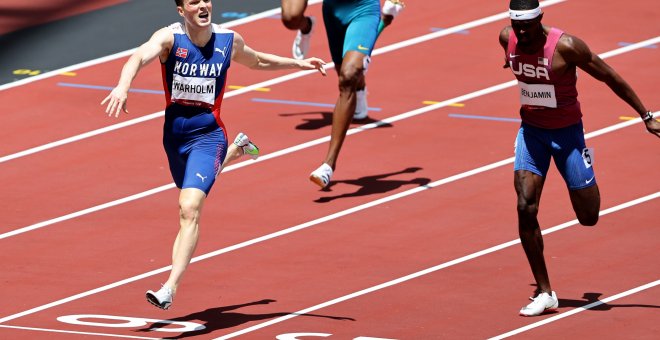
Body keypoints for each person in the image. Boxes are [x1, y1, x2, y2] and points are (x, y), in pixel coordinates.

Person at [102, 0, 326, 310]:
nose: (204, 5)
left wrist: (298, 64)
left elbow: (258, 61)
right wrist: (123, 85)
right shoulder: (170, 38)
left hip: (208, 136)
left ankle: (169, 288)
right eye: (194, 2)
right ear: (182, 11)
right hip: (174, 138)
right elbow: (140, 56)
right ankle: (239, 149)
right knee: (188, 193)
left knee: (189, 208)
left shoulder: (228, 40)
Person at [499, 0, 659, 317]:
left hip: (569, 137)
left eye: (527, 26)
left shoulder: (567, 46)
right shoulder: (507, 37)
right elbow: (517, 63)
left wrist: (646, 116)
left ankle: (584, 166)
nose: (521, 32)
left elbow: (609, 76)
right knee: (524, 204)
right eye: (517, 26)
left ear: (540, 19)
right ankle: (545, 292)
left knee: (588, 216)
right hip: (531, 133)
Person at [305, 0, 405, 188]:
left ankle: (328, 164)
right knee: (343, 71)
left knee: (348, 76)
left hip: (363, 9)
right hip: (333, 11)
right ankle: (385, 20)